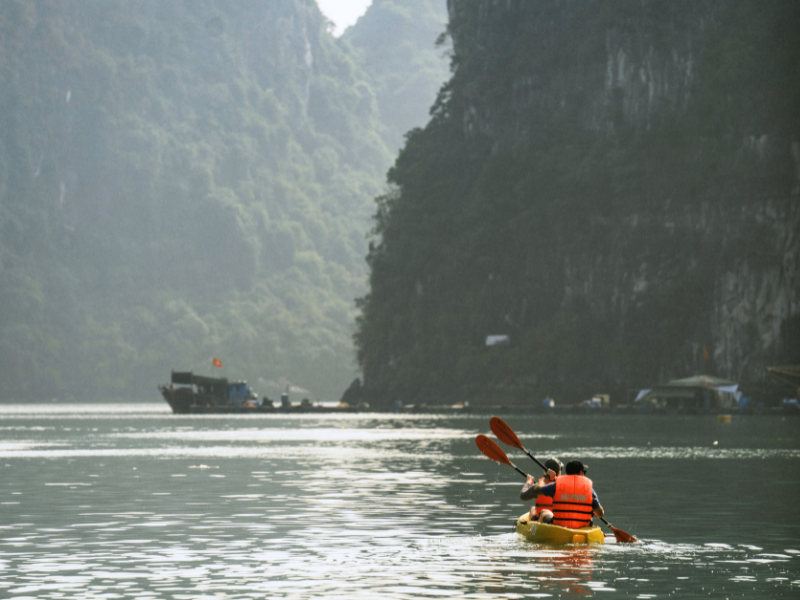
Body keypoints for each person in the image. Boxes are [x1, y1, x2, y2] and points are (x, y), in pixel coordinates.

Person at [521, 459, 604, 529]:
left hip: (559, 525)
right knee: (590, 518)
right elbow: (600, 514)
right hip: (581, 526)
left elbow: (537, 490)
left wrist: (546, 478)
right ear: (581, 473)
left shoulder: (557, 486)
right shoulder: (589, 490)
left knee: (543, 511)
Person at [520, 457, 562, 523]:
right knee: (533, 509)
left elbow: (523, 496)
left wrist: (528, 482)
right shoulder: (564, 487)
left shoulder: (537, 487)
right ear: (559, 472)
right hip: (560, 520)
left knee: (533, 509)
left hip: (542, 521)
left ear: (545, 472)